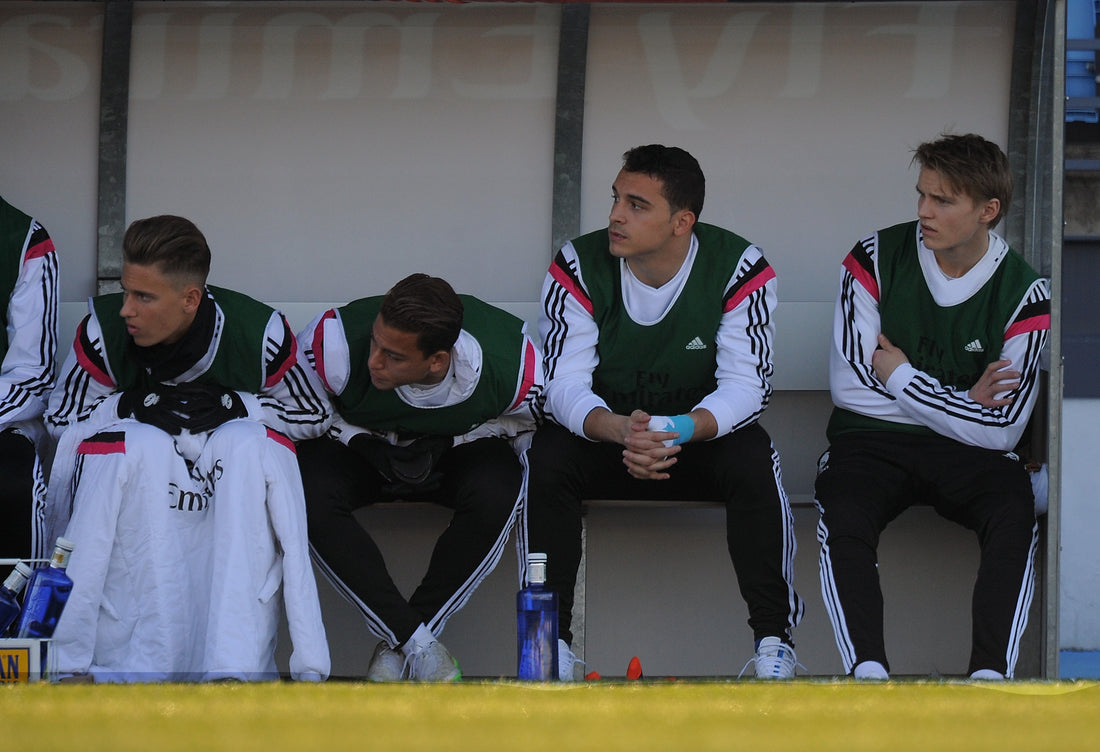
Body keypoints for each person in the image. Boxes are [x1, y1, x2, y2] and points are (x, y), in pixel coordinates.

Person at [526, 144, 804, 680]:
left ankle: (774, 643)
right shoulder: (578, 264)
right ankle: (547, 646)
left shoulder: (739, 266)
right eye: (615, 199)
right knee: (547, 455)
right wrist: (619, 431)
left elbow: (749, 386)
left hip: (693, 441)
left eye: (636, 204)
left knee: (754, 457)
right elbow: (560, 383)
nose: (615, 215)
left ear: (682, 222)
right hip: (609, 442)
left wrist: (675, 428)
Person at [44, 215, 332, 682]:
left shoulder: (260, 333)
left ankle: (233, 666)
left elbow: (314, 415)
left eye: (144, 297)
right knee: (136, 443)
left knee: (243, 444)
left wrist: (235, 405)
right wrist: (129, 404)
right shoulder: (103, 331)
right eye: (126, 292)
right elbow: (60, 420)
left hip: (229, 495)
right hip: (137, 497)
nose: (126, 311)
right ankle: (96, 660)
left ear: (190, 299)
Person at [814, 133, 1051, 681]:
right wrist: (963, 400)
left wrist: (899, 375)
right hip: (869, 444)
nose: (923, 211)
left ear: (987, 211)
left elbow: (1003, 432)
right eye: (922, 195)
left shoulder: (1024, 293)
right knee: (842, 505)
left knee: (1014, 504)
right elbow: (851, 390)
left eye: (942, 200)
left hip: (968, 455)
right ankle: (867, 672)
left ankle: (989, 678)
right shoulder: (873, 257)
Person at [297, 273, 542, 681]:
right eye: (375, 342)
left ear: (438, 361)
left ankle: (403, 644)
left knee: (499, 485)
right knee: (306, 487)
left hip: (453, 454)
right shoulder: (333, 341)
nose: (374, 359)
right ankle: (418, 644)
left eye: (393, 356)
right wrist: (360, 442)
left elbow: (533, 423)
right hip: (360, 448)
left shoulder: (514, 363)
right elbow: (297, 405)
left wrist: (453, 439)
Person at [0, 195, 58, 563]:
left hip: (4, 424)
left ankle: (16, 618)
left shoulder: (23, 239)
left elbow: (32, 376)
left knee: (13, 480)